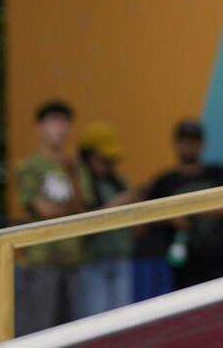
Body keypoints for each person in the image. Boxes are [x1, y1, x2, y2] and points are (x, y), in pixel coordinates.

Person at [15, 101, 95, 336]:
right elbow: (43, 210)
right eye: (54, 121)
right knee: (38, 333)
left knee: (72, 335)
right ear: (40, 127)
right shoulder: (29, 166)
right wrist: (71, 206)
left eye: (64, 122)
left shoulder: (76, 168)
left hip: (73, 261)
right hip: (41, 261)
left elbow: (86, 213)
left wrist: (72, 179)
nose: (60, 128)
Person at [143, 120, 223, 290]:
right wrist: (170, 219)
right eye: (185, 142)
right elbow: (148, 217)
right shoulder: (164, 182)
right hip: (187, 265)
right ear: (176, 145)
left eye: (194, 142)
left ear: (202, 144)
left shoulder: (218, 173)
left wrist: (184, 212)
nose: (190, 147)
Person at [75, 122, 134, 317]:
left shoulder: (117, 181)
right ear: (88, 156)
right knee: (95, 322)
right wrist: (118, 203)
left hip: (121, 258)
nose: (109, 164)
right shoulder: (80, 180)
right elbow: (82, 220)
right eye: (104, 159)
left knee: (122, 322)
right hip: (93, 261)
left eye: (112, 160)